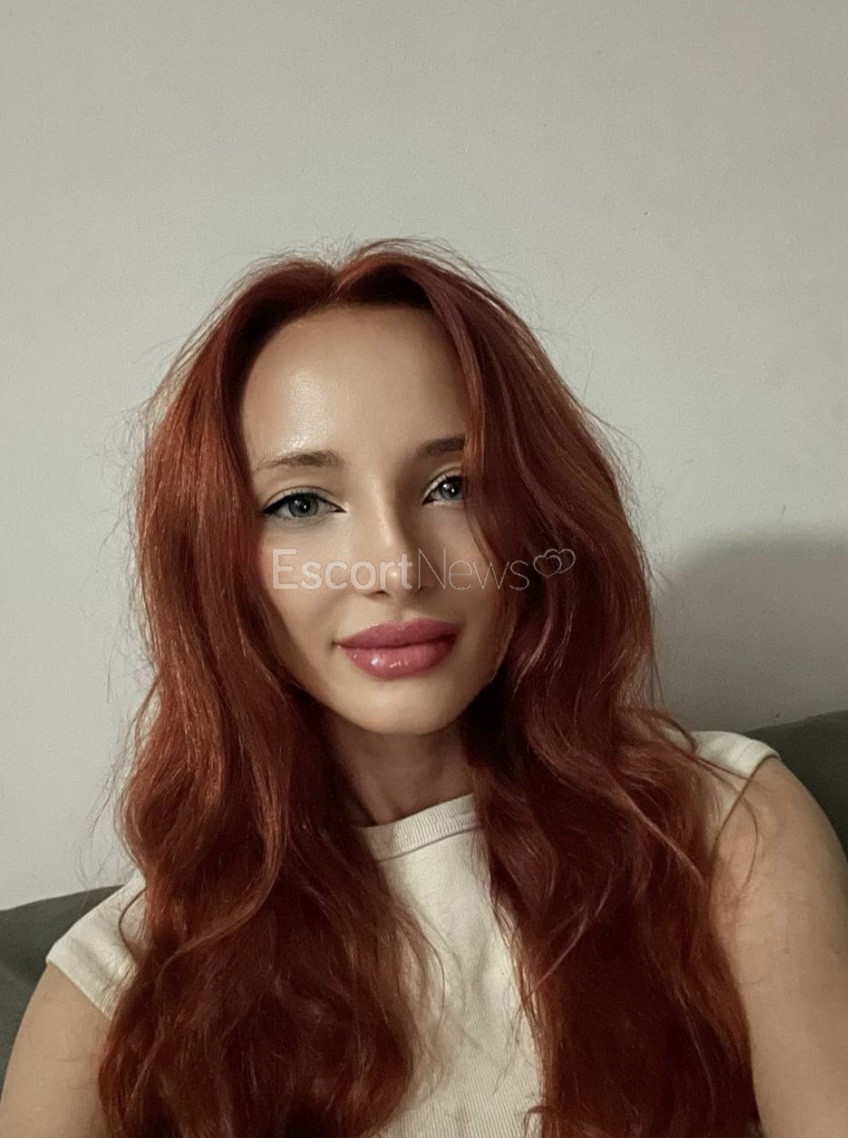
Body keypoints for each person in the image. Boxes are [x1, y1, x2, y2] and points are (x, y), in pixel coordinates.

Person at [2, 238, 847, 1138]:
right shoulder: (112, 991)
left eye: (453, 485)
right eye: (301, 503)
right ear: (214, 562)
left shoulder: (721, 826)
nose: (396, 569)